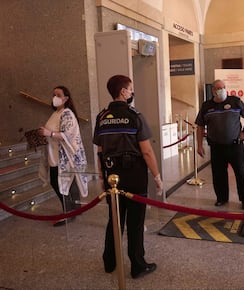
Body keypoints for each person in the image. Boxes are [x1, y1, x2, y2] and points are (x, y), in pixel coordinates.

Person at [93, 75, 163, 279]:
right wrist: (157, 177)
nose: (132, 92)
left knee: (114, 219)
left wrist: (100, 175)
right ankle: (138, 265)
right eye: (130, 89)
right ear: (123, 91)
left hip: (110, 173)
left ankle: (109, 261)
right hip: (134, 175)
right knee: (135, 221)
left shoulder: (101, 117)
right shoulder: (135, 115)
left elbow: (100, 149)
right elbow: (147, 151)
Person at [195, 79, 244, 210]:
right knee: (218, 174)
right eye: (218, 88)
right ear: (213, 91)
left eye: (223, 87)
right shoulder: (206, 106)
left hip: (235, 145)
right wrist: (199, 145)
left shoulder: (235, 102)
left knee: (240, 173)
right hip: (216, 147)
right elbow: (200, 126)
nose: (222, 90)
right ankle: (221, 198)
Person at [39, 86, 88, 226]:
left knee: (60, 183)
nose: (55, 97)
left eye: (58, 95)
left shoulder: (67, 113)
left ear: (66, 98)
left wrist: (50, 134)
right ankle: (74, 209)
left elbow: (68, 134)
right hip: (53, 154)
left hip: (64, 157)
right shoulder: (55, 113)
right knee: (62, 182)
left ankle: (69, 212)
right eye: (53, 94)